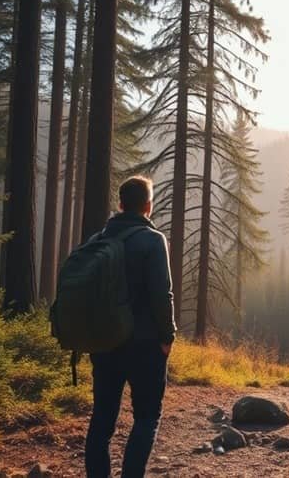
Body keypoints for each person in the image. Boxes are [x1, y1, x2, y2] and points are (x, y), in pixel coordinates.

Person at [85, 175, 176, 478]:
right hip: (146, 346)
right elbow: (162, 294)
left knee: (102, 422)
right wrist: (167, 336)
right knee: (147, 418)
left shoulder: (97, 241)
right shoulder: (153, 240)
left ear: (121, 205)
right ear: (148, 207)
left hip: (105, 344)